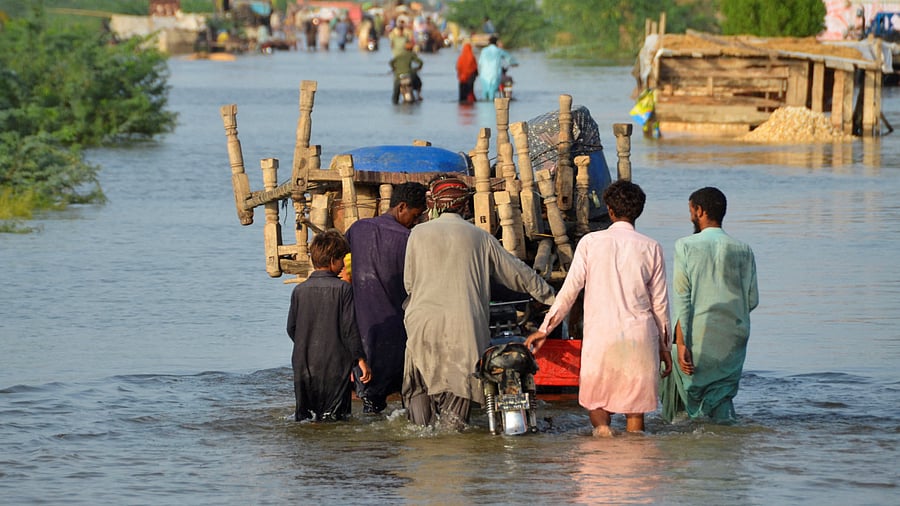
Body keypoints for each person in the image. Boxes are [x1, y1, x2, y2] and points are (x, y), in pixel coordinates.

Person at [402, 177, 556, 430]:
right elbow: (518, 273)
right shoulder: (479, 236)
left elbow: (409, 283)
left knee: (420, 384)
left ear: (436, 205)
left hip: (422, 322)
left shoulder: (417, 233)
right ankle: (454, 441)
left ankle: (421, 436)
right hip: (465, 326)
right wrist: (552, 298)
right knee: (459, 390)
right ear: (465, 206)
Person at [525, 180, 671, 436]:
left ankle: (602, 441)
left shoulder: (591, 243)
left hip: (602, 337)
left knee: (598, 403)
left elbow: (569, 292)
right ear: (639, 211)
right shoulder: (652, 247)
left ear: (609, 210)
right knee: (635, 412)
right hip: (639, 336)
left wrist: (544, 329)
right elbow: (660, 305)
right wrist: (664, 348)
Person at [661, 187, 759, 423]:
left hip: (698, 334)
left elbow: (683, 297)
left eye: (691, 210)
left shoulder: (685, 245)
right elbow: (752, 300)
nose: (690, 216)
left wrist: (682, 342)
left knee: (679, 378)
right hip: (734, 336)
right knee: (722, 395)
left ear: (699, 211)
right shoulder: (744, 249)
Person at [345, 182, 428, 414]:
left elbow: (343, 263)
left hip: (364, 331)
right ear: (401, 207)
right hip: (398, 330)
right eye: (415, 215)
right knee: (409, 397)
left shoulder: (358, 228)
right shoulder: (409, 240)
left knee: (371, 403)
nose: (416, 221)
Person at [286, 230, 372, 421]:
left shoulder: (299, 291)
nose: (343, 266)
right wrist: (360, 360)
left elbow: (291, 328)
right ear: (333, 260)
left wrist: (306, 345)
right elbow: (349, 328)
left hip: (303, 363)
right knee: (335, 419)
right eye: (342, 259)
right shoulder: (344, 289)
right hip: (335, 365)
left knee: (306, 418)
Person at [477, 35, 513, 101]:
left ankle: (485, 109)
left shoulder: (484, 51)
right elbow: (510, 59)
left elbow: (480, 63)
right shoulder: (499, 51)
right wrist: (514, 64)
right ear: (496, 42)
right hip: (495, 75)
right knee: (492, 93)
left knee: (485, 93)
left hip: (484, 75)